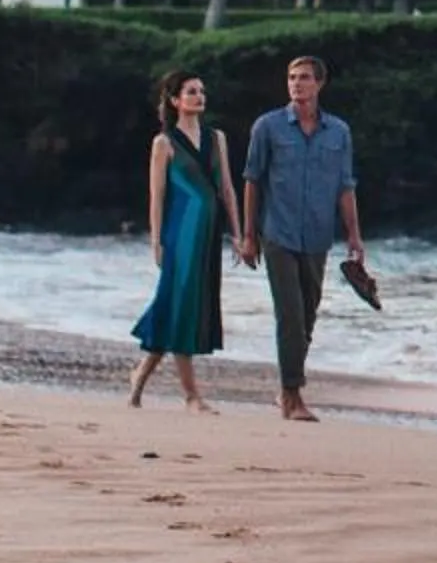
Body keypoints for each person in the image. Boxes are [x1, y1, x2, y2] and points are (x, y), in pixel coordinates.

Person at [241, 54, 363, 423]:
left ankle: (287, 387)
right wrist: (249, 235)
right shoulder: (268, 127)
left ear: (320, 83)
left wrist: (354, 235)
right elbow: (252, 180)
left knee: (307, 316)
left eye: (305, 77)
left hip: (318, 235)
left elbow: (345, 186)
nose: (296, 84)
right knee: (290, 316)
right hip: (277, 233)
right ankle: (292, 395)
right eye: (292, 77)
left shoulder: (338, 132)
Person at [128, 71, 244, 411]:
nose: (199, 97)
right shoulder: (163, 143)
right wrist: (156, 241)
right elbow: (157, 196)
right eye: (191, 92)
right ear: (175, 100)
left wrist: (237, 234)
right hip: (179, 236)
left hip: (208, 236)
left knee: (176, 307)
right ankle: (192, 396)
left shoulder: (216, 138)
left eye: (202, 91)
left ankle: (140, 376)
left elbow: (226, 190)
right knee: (182, 307)